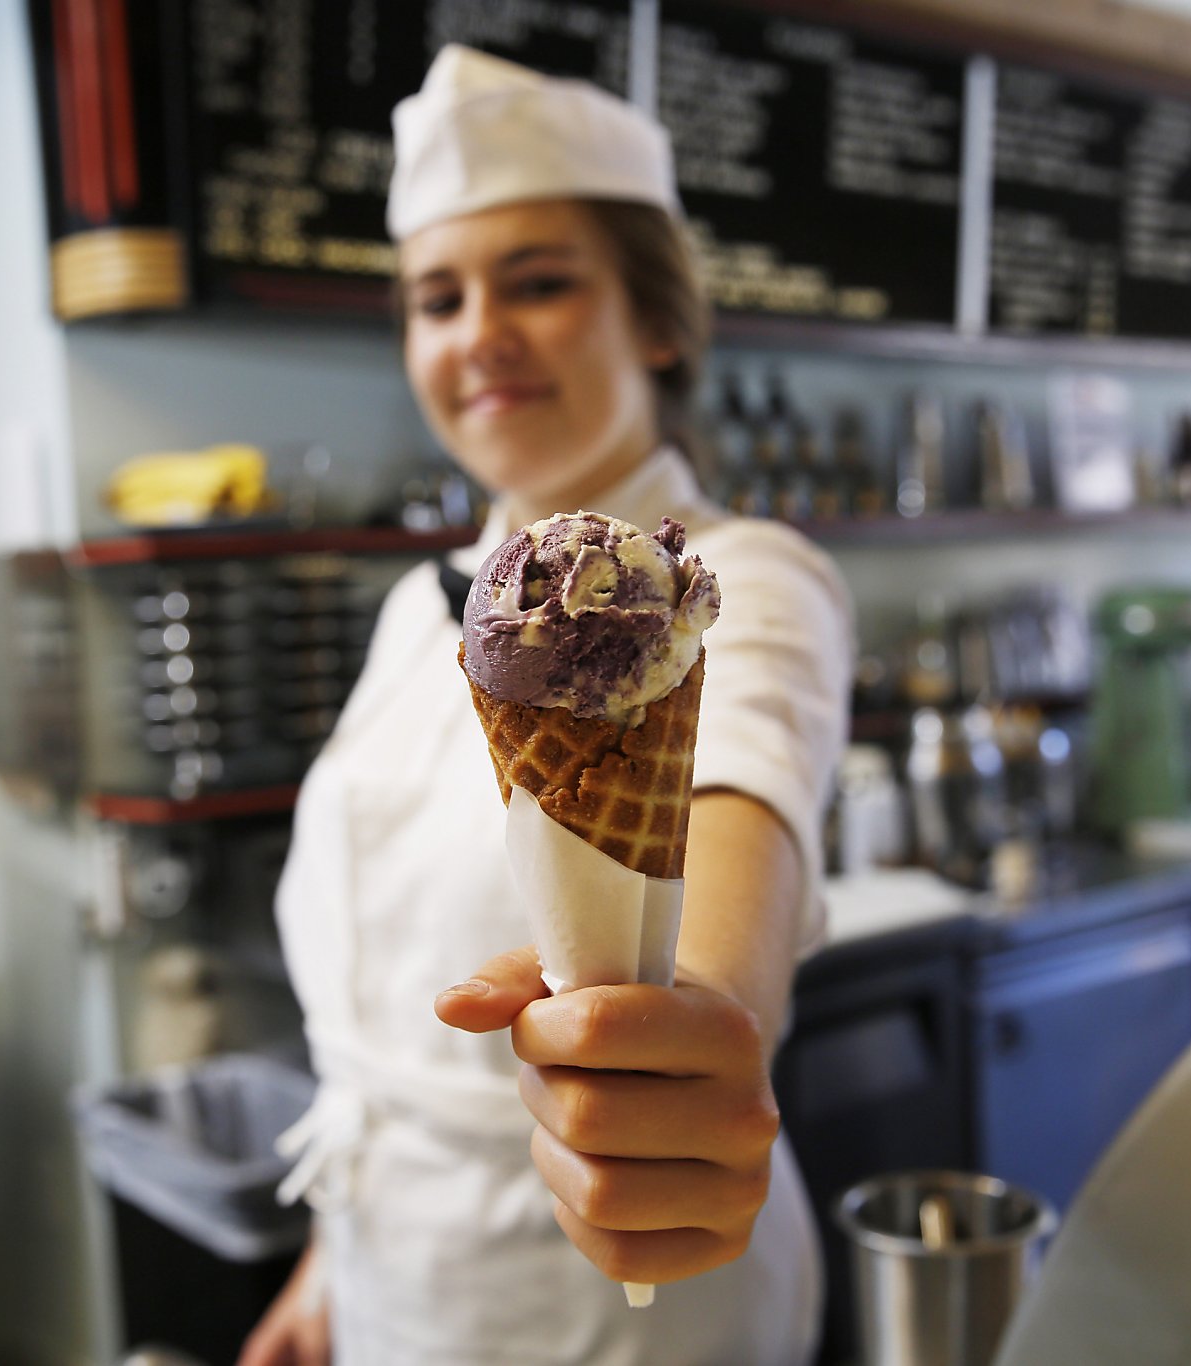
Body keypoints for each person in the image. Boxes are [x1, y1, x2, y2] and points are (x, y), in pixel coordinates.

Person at [238, 46, 852, 1366]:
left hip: (618, 1307)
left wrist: (702, 1022)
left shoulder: (745, 584)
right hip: (392, 1292)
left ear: (659, 322)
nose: (478, 335)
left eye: (539, 282)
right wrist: (327, 1269)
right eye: (437, 298)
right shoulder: (422, 612)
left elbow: (740, 813)